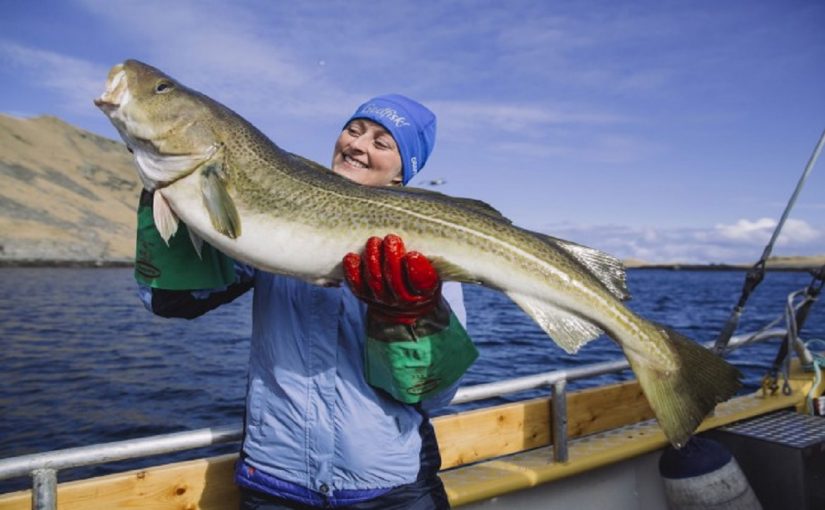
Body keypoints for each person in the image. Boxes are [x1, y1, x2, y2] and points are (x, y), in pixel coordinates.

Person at [135, 94, 478, 509]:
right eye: (353, 130)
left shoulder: (427, 254)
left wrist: (412, 316)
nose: (357, 144)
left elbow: (435, 396)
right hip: (275, 482)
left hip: (391, 488)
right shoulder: (268, 219)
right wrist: (172, 179)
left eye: (382, 142)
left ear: (401, 175)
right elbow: (172, 299)